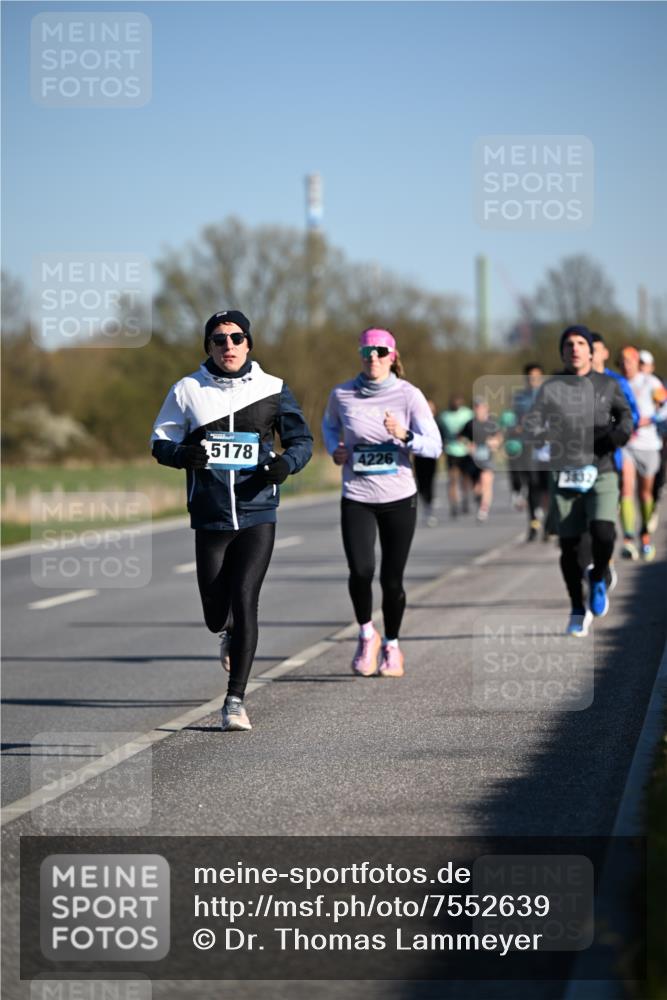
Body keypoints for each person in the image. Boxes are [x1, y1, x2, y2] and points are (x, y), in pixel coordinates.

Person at [151, 309, 313, 731]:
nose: (228, 346)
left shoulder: (273, 389)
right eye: (219, 339)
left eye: (236, 338)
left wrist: (287, 465)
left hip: (259, 510)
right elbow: (161, 441)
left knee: (245, 598)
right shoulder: (188, 389)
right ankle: (225, 632)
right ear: (208, 346)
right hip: (210, 515)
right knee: (215, 612)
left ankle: (235, 701)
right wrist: (182, 454)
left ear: (249, 343)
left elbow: (301, 440)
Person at [322, 328, 442, 678]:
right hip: (357, 495)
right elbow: (329, 427)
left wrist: (404, 436)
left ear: (392, 355)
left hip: (398, 498)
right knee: (360, 571)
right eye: (366, 351)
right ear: (360, 354)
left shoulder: (409, 395)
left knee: (392, 579)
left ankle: (391, 644)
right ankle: (366, 634)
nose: (372, 357)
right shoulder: (342, 394)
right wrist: (335, 449)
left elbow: (435, 445)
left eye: (379, 351)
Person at [523, 325, 633, 637]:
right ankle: (576, 607)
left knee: (603, 532)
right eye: (569, 344)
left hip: (601, 468)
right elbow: (533, 421)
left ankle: (598, 576)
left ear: (591, 351)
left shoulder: (607, 385)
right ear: (562, 352)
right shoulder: (551, 386)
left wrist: (614, 436)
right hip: (565, 472)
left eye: (581, 343)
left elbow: (625, 417)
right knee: (569, 547)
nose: (575, 348)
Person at [617, 346, 667, 561]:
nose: (626, 365)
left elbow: (665, 408)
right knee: (626, 489)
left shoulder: (652, 382)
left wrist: (650, 419)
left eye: (630, 361)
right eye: (623, 362)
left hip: (649, 444)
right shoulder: (617, 384)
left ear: (637, 362)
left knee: (645, 494)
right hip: (627, 445)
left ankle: (645, 536)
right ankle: (628, 540)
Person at [459, 398, 503, 521]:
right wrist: (468, 445)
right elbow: (460, 437)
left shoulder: (492, 423)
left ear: (486, 408)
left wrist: (495, 443)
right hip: (473, 460)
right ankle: (478, 497)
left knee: (486, 481)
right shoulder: (470, 424)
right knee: (477, 488)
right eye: (477, 407)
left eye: (481, 407)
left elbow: (499, 436)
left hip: (487, 459)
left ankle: (484, 509)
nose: (479, 410)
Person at [437, 395, 474, 517]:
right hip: (451, 450)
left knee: (466, 479)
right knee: (453, 479)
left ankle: (465, 499)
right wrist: (441, 446)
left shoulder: (468, 414)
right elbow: (440, 432)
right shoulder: (444, 416)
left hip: (465, 450)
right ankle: (454, 505)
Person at [413, 399, 439, 526]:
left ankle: (429, 508)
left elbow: (441, 440)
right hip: (419, 457)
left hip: (432, 458)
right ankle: (425, 506)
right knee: (420, 483)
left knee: (430, 482)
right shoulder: (416, 422)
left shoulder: (436, 423)